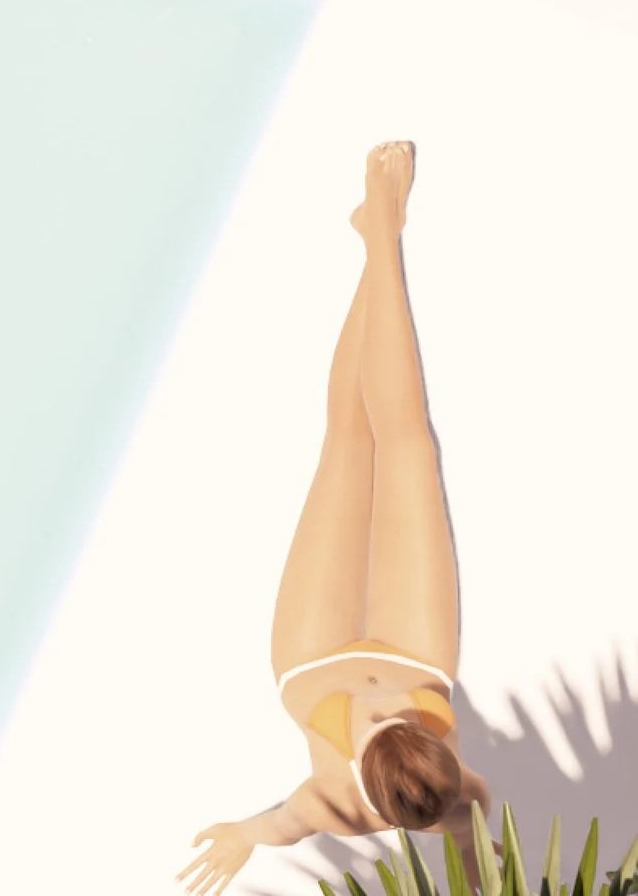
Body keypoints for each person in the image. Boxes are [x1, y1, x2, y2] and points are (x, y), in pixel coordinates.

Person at [179, 143, 492, 895]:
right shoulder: (465, 793)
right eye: (405, 723)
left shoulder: (335, 805)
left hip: (313, 657)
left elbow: (272, 824)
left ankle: (375, 237)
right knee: (412, 442)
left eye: (380, 725)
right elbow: (480, 861)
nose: (385, 710)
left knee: (350, 440)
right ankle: (382, 233)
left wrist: (239, 837)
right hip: (420, 651)